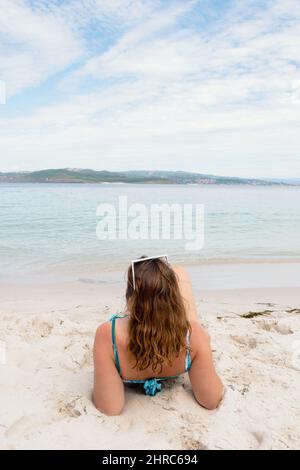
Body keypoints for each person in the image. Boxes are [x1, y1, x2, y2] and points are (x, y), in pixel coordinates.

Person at [93, 256, 223, 415]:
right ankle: (156, 298)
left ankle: (143, 300)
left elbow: (110, 408)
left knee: (148, 294)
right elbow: (211, 400)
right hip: (176, 350)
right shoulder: (193, 333)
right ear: (175, 297)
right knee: (179, 272)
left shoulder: (108, 334)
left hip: (128, 353)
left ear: (128, 297)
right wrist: (202, 342)